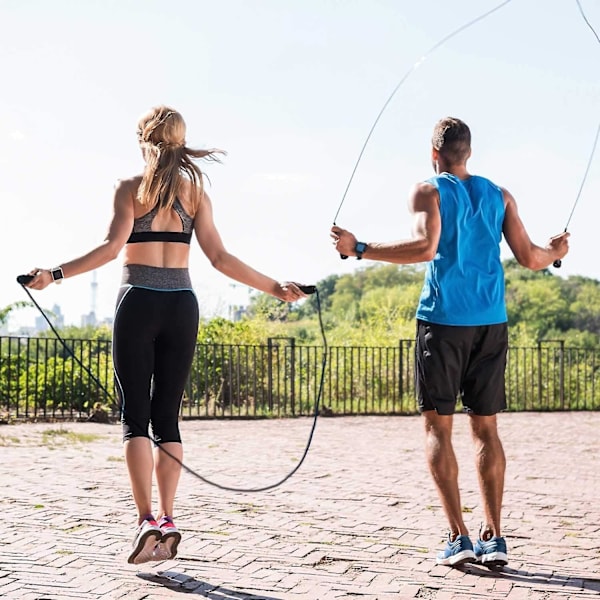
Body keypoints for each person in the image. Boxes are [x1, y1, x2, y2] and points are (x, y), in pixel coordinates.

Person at [23, 105, 309, 565]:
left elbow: (111, 248)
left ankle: (145, 522)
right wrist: (275, 287)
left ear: (143, 142)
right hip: (182, 305)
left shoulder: (130, 189)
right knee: (167, 419)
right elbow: (220, 257)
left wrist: (52, 274)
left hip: (137, 299)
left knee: (135, 419)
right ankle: (170, 520)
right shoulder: (194, 193)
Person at [330, 116, 570, 569]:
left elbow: (424, 247)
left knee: (438, 428)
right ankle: (494, 536)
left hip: (442, 323)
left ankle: (458, 536)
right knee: (486, 429)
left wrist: (357, 246)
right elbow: (532, 258)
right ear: (470, 153)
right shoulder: (500, 196)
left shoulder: (428, 189)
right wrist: (557, 251)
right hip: (490, 324)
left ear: (434, 152)